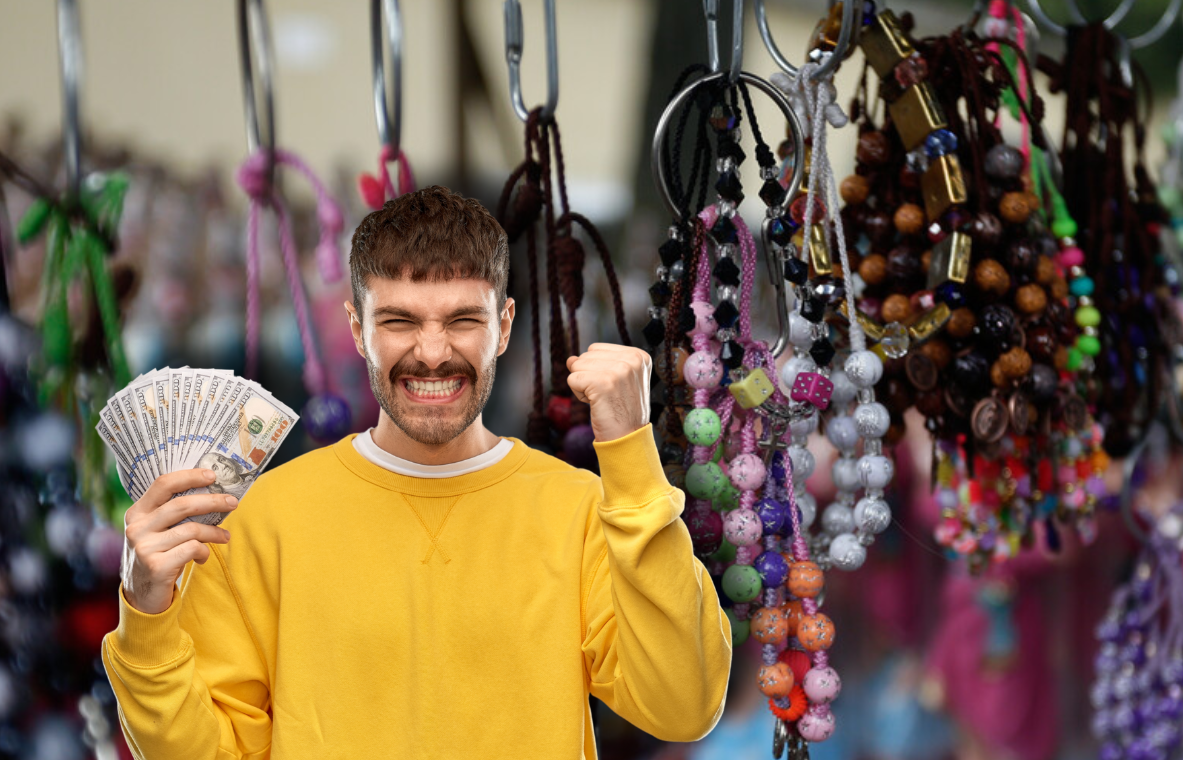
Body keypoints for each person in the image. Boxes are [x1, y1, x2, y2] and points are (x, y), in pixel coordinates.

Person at [102, 186, 731, 759]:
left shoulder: (584, 509)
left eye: (463, 320)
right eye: (400, 321)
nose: (432, 353)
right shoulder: (266, 517)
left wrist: (631, 455)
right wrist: (146, 614)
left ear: (504, 326)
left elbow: (682, 705)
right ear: (356, 328)